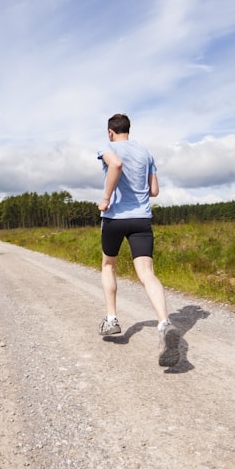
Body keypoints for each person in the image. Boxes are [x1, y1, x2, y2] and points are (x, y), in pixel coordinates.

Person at [97, 113, 180, 367]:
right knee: (147, 273)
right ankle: (164, 322)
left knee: (109, 265)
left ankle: (111, 320)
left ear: (110, 132)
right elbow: (154, 190)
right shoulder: (146, 153)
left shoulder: (108, 147)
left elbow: (116, 165)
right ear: (128, 130)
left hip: (115, 218)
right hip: (142, 219)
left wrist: (107, 198)